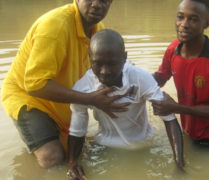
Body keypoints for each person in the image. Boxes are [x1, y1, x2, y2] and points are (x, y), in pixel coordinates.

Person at [1, 0, 129, 169]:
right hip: (28, 97)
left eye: (104, 0)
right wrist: (90, 99)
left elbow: (106, 71)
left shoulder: (98, 31)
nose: (97, 4)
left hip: (60, 99)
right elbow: (34, 84)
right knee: (52, 158)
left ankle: (37, 143)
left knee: (79, 152)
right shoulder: (54, 27)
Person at [66, 29, 184, 180]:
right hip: (105, 148)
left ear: (124, 58)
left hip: (144, 145)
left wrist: (179, 165)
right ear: (89, 58)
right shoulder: (83, 88)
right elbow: (77, 130)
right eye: (98, 63)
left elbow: (168, 117)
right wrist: (72, 163)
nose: (105, 71)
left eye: (113, 64)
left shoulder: (140, 78)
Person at [152, 0, 209, 147]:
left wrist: (175, 108)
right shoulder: (173, 49)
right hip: (188, 130)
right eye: (180, 17)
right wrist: (131, 76)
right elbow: (160, 78)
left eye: (193, 19)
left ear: (207, 24)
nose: (183, 24)